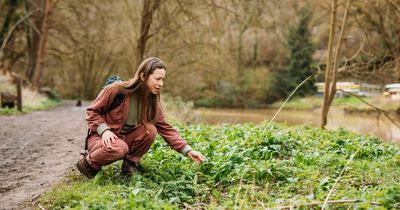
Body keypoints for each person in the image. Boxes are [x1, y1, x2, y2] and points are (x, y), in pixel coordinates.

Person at [76, 57, 206, 179]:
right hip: (100, 138)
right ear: (143, 76)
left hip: (122, 139)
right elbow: (92, 111)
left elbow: (166, 128)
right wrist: (104, 130)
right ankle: (89, 164)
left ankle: (129, 166)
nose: (161, 84)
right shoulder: (116, 90)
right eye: (157, 79)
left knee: (150, 129)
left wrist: (188, 150)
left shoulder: (152, 100)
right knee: (119, 148)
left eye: (163, 80)